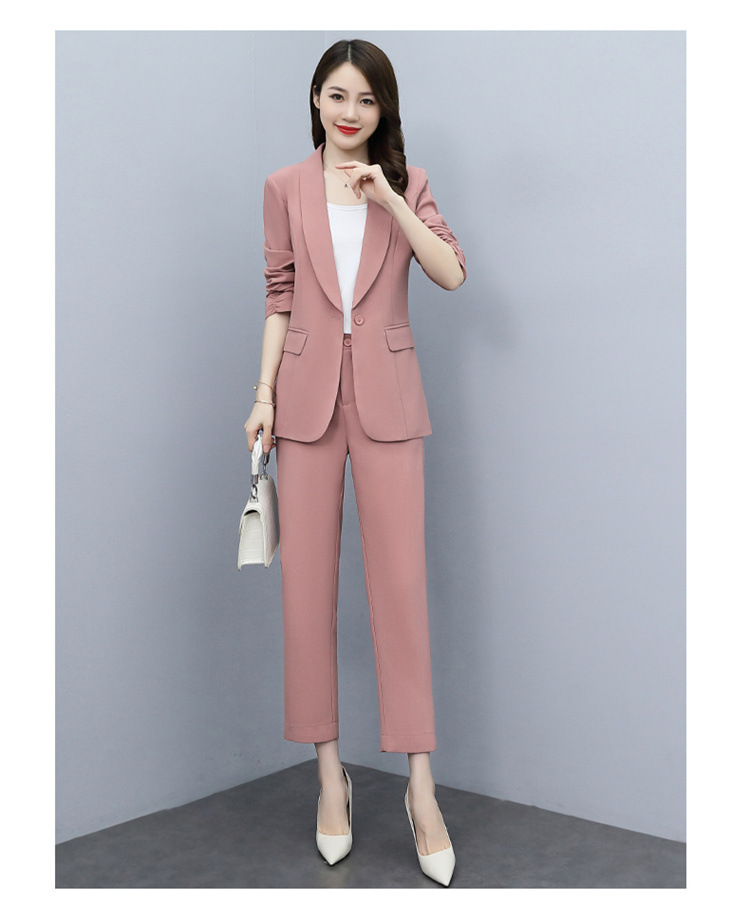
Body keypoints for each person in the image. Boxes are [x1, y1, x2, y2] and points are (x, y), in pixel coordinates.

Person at [243, 39, 466, 886]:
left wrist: (390, 198)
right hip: (303, 404)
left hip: (388, 403)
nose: (349, 111)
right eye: (336, 95)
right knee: (307, 593)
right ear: (315, 100)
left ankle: (420, 788)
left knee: (400, 589)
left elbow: (450, 273)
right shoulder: (283, 187)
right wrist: (263, 395)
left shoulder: (407, 182)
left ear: (383, 110)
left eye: (366, 99)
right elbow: (279, 294)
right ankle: (329, 775)